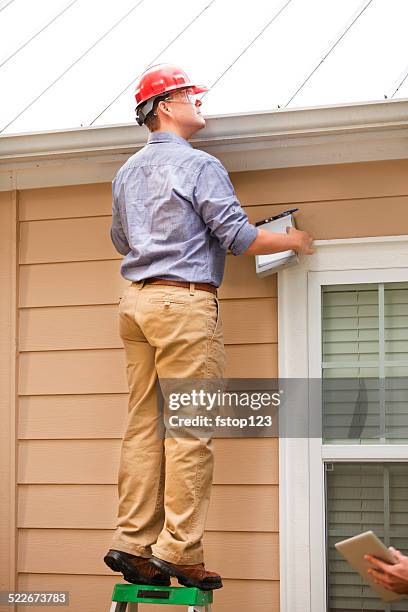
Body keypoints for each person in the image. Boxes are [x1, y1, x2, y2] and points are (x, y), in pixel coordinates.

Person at [104, 63, 315, 591]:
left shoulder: (128, 171)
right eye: (190, 95)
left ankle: (134, 543)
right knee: (189, 427)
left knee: (144, 426)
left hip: (135, 303)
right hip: (183, 304)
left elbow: (121, 240)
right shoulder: (201, 165)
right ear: (165, 106)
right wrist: (293, 241)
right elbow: (239, 239)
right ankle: (180, 549)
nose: (199, 102)